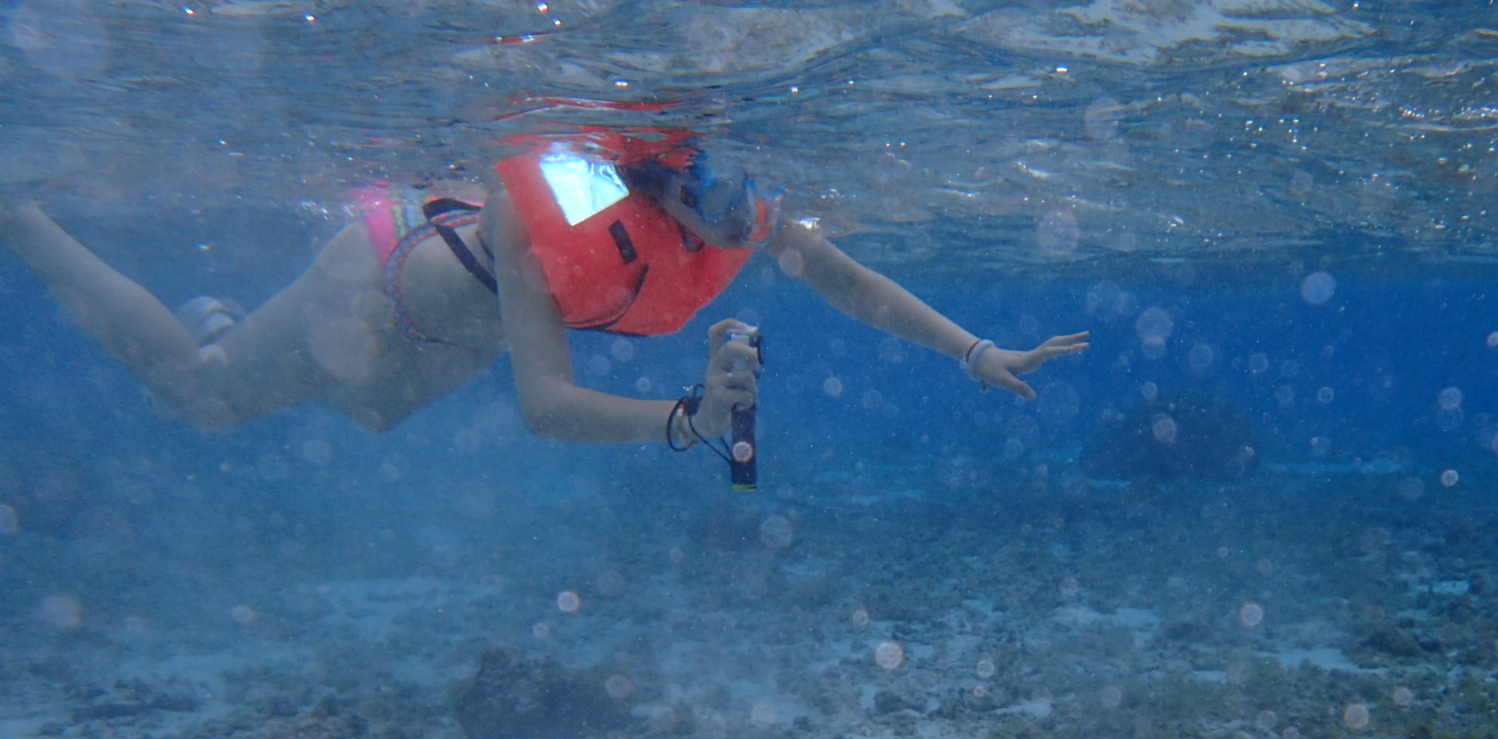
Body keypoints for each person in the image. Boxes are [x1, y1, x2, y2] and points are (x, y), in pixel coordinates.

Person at [0, 131, 1088, 451]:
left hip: (444, 343)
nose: (739, 215)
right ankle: (24, 217)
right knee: (198, 396)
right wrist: (690, 418)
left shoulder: (735, 215)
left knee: (365, 413)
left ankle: (236, 332)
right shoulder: (543, 204)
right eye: (714, 189)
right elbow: (546, 406)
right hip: (384, 286)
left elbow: (855, 284)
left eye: (746, 194)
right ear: (658, 170)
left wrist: (976, 352)